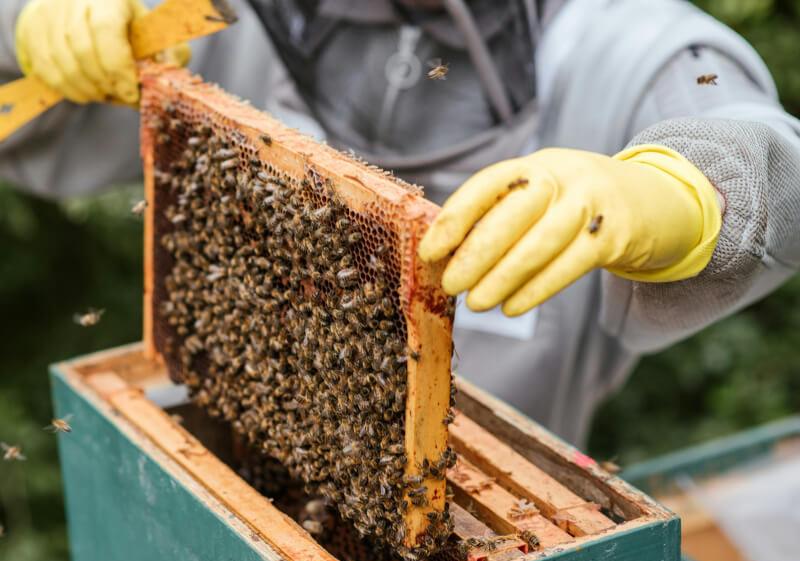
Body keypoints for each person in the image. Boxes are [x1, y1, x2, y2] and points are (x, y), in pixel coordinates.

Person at [2, 0, 799, 446]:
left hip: (479, 555)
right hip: (228, 475)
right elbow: (23, 112)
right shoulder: (213, 14)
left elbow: (770, 159)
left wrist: (676, 194)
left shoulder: (633, 41)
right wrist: (32, 26)